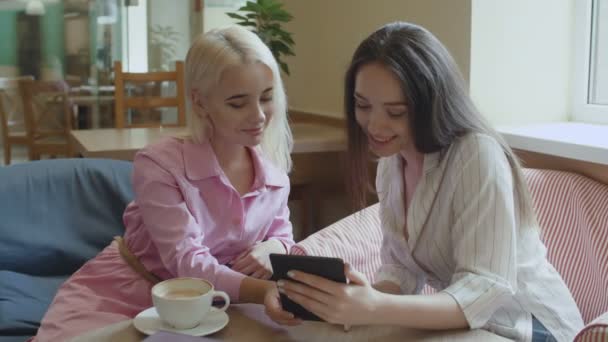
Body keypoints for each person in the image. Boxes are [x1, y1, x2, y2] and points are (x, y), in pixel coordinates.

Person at [265, 22, 583, 342]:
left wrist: (376, 308)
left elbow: (484, 290)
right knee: (321, 333)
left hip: (529, 326)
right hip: (468, 325)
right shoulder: (391, 164)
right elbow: (400, 272)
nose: (374, 125)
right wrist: (350, 301)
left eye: (396, 112)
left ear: (431, 104)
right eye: (363, 105)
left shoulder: (475, 155)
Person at [33, 25, 295, 341]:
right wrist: (266, 290)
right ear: (200, 103)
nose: (259, 116)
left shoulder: (274, 174)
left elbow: (282, 233)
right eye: (238, 103)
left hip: (213, 304)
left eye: (266, 97)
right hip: (119, 295)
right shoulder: (159, 164)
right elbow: (188, 263)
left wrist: (275, 246)